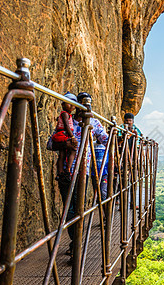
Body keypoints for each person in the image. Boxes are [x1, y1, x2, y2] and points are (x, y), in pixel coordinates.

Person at [58, 92, 109, 259]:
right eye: (84, 103)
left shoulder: (93, 122)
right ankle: (75, 243)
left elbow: (106, 140)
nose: (87, 106)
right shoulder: (67, 120)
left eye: (89, 103)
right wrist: (67, 142)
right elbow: (51, 143)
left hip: (82, 171)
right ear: (76, 104)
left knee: (76, 208)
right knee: (69, 208)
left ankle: (76, 246)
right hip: (65, 170)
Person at [52, 92, 78, 181]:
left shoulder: (68, 114)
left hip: (62, 135)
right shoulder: (65, 114)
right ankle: (68, 169)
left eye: (73, 104)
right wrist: (73, 137)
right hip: (63, 135)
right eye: (68, 103)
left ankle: (60, 173)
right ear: (63, 105)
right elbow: (67, 126)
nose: (71, 106)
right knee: (73, 149)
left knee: (62, 154)